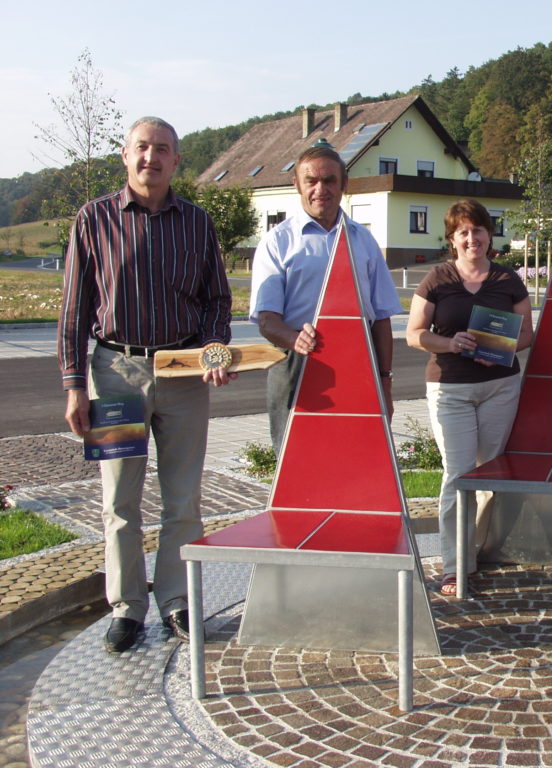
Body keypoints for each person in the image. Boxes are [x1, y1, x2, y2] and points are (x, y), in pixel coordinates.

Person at [58, 116, 234, 654]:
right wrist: (72, 383)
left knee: (183, 499)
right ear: (124, 154)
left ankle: (177, 601)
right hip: (117, 374)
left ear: (176, 160)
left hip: (183, 376)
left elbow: (218, 301)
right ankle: (127, 607)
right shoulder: (94, 220)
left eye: (162, 149)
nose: (150, 158)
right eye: (141, 147)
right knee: (119, 501)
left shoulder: (197, 223)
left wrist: (213, 349)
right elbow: (73, 309)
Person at [406, 199, 534, 596]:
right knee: (457, 475)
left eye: (477, 229)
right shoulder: (437, 280)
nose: (471, 238)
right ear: (452, 239)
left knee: (488, 477)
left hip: (500, 386)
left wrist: (502, 347)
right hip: (450, 389)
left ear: (488, 235)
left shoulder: (508, 280)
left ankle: (474, 555)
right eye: (462, 231)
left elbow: (528, 334)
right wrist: (449, 342)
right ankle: (452, 566)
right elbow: (414, 334)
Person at [250, 143, 402, 454]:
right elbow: (266, 319)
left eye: (330, 180)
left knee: (355, 457)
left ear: (344, 184)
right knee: (294, 461)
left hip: (359, 363)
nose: (321, 189)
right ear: (297, 185)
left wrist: (385, 382)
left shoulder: (365, 241)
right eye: (311, 181)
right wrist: (293, 339)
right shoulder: (276, 242)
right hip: (294, 364)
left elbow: (382, 317)